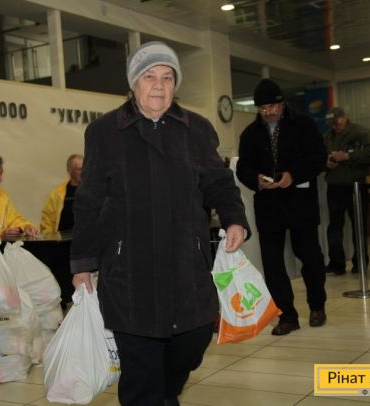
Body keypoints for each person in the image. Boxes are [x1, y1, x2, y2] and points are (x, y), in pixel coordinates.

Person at [70, 41, 249, 406]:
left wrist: (234, 219)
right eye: (149, 76)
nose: (159, 85)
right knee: (140, 370)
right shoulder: (105, 132)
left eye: (168, 77)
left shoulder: (196, 129)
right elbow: (88, 200)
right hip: (129, 270)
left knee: (193, 340)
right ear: (133, 83)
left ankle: (165, 393)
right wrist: (82, 263)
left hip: (187, 264)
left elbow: (219, 182)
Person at [236, 78, 327, 336]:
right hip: (269, 205)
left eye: (273, 107)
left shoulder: (304, 125)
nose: (269, 112)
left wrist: (293, 175)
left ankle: (317, 306)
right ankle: (287, 315)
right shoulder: (250, 134)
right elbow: (243, 168)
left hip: (300, 202)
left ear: (282, 104)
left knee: (310, 257)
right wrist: (257, 180)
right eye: (263, 108)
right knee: (273, 263)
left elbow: (318, 158)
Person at [323, 107, 370, 275]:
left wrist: (347, 156)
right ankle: (336, 263)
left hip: (356, 185)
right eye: (331, 124)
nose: (334, 126)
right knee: (334, 226)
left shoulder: (361, 132)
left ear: (345, 118)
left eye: (337, 122)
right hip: (335, 186)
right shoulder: (327, 137)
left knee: (359, 225)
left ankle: (360, 262)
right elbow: (319, 156)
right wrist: (326, 163)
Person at [40, 154, 83, 234]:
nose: (84, 172)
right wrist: (49, 238)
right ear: (70, 171)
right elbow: (47, 219)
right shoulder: (57, 193)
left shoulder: (94, 190)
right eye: (80, 169)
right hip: (63, 239)